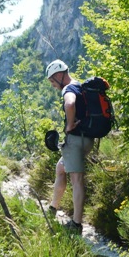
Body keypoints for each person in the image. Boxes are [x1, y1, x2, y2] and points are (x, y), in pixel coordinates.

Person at [45, 59, 94, 235]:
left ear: (59, 75)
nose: (53, 85)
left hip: (76, 140)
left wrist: (69, 125)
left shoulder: (69, 89)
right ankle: (53, 208)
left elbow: (70, 104)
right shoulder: (80, 86)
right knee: (60, 168)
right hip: (86, 139)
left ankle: (76, 224)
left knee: (77, 180)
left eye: (52, 81)